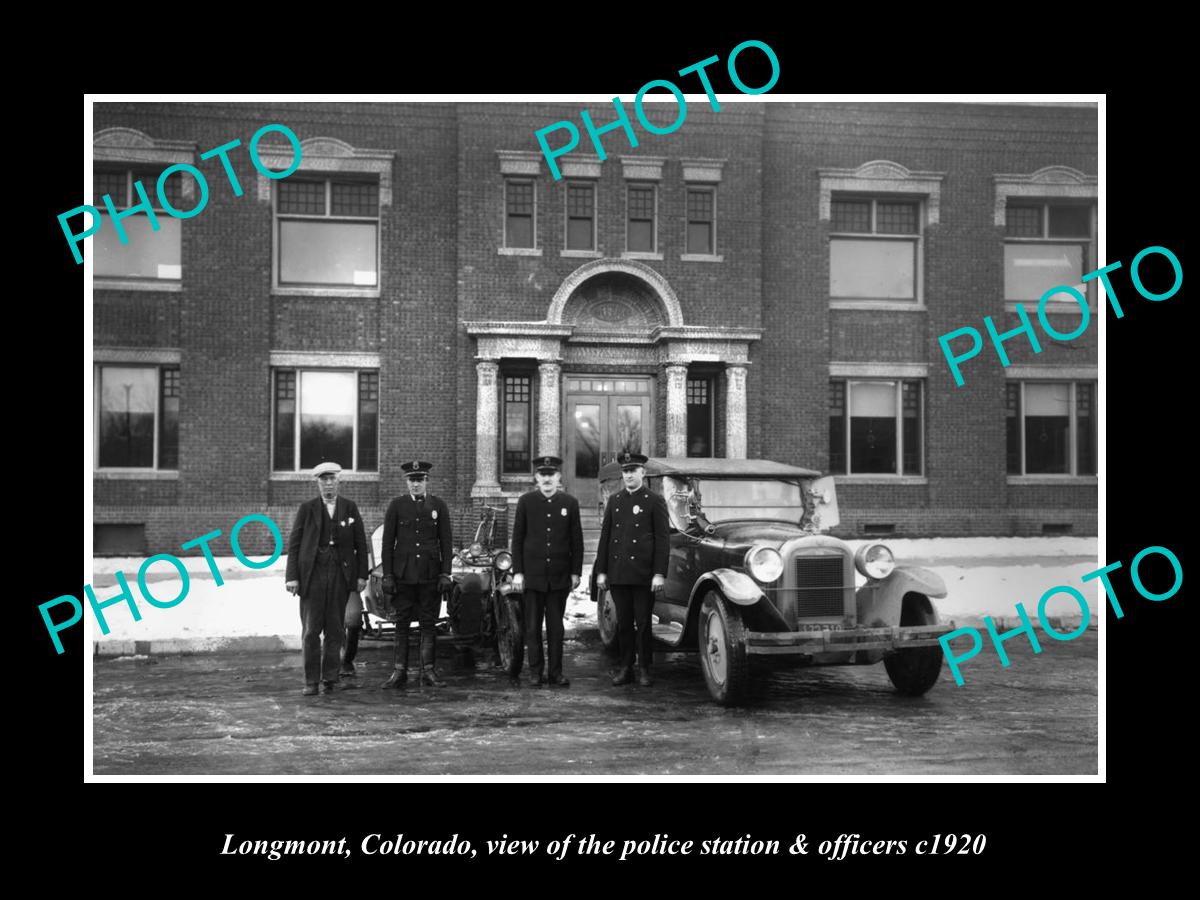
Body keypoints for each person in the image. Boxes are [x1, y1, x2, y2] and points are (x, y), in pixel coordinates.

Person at [284, 462, 369, 696]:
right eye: (324, 480)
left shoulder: (350, 508)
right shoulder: (307, 508)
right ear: (318, 483)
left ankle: (331, 678)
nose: (328, 483)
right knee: (311, 630)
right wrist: (292, 577)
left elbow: (360, 544)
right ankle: (311, 681)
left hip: (340, 574)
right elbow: (295, 544)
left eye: (332, 479)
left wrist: (361, 574)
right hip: (312, 574)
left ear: (339, 481)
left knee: (335, 629)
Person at [594, 451, 669, 687]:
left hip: (644, 575)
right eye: (625, 472)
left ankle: (645, 668)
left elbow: (662, 540)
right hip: (618, 573)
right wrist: (602, 571)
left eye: (632, 471)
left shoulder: (654, 501)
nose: (628, 476)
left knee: (644, 623)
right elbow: (606, 538)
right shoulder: (615, 501)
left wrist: (659, 573)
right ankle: (626, 667)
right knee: (624, 624)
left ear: (643, 473)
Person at [510, 455, 584, 689]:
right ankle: (535, 672)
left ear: (559, 477)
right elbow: (518, 539)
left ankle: (555, 673)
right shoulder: (526, 502)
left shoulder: (569, 503)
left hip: (559, 577)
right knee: (532, 627)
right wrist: (518, 572)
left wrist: (575, 572)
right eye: (543, 475)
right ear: (536, 478)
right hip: (532, 577)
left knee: (555, 628)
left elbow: (576, 541)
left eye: (551, 475)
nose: (547, 479)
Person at [380, 460, 453, 689]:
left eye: (419, 480)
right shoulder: (397, 506)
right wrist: (388, 575)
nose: (415, 485)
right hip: (403, 576)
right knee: (401, 623)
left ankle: (428, 671)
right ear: (407, 482)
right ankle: (399, 671)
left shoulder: (438, 506)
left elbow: (446, 543)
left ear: (426, 481)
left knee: (428, 623)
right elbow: (387, 543)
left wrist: (445, 574)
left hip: (430, 575)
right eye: (412, 480)